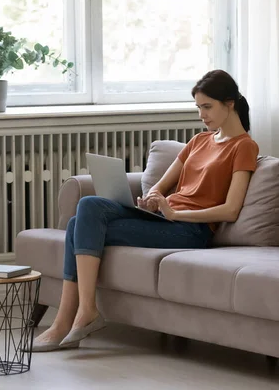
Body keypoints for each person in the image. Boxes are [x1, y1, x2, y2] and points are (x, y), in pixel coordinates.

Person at [30, 69, 259, 352]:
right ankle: (82, 312)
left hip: (190, 231)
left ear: (230, 103)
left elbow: (230, 210)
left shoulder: (244, 147)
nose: (202, 115)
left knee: (79, 225)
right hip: (163, 218)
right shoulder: (199, 141)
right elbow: (159, 187)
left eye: (207, 107)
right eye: (198, 107)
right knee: (87, 207)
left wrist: (176, 215)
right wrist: (152, 199)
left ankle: (70, 318)